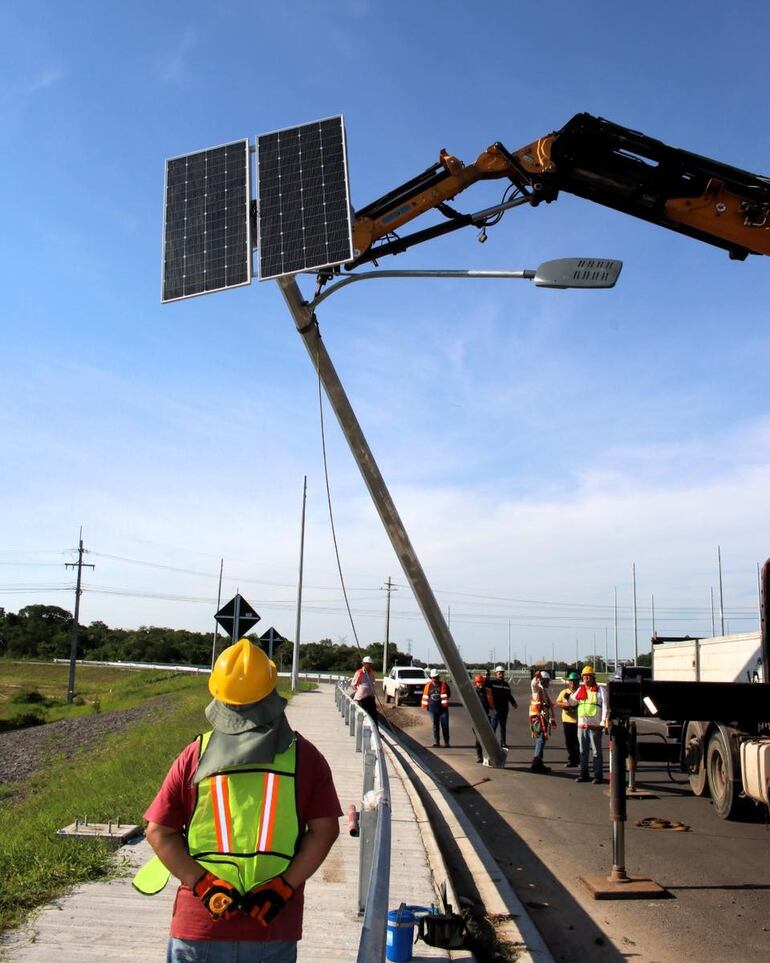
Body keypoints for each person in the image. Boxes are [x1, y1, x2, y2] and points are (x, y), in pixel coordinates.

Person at [133, 638, 342, 962]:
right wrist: (283, 887)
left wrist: (203, 884)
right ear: (273, 692)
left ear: (218, 696)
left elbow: (158, 831)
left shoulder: (195, 756)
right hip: (272, 924)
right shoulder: (305, 758)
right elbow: (325, 830)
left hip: (201, 924)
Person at [568, 664, 608, 784]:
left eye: (588, 677)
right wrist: (568, 698)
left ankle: (598, 776)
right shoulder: (581, 690)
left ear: (593, 677)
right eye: (584, 677)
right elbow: (572, 702)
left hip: (595, 726)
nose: (586, 679)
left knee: (596, 752)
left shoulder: (601, 690)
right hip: (582, 725)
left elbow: (605, 706)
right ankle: (583, 774)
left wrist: (603, 721)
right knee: (583, 751)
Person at [529, 670, 556, 773]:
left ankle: (539, 762)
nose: (549, 683)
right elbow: (533, 684)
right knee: (540, 738)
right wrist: (537, 677)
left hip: (542, 718)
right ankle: (536, 762)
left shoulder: (543, 690)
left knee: (542, 739)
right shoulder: (537, 689)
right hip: (537, 718)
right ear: (543, 680)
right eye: (547, 681)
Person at [487, 665, 518, 750]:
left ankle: (503, 743)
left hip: (504, 708)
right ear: (496, 673)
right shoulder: (492, 683)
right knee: (494, 725)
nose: (501, 674)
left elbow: (509, 695)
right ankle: (491, 743)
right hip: (495, 708)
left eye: (502, 673)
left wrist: (513, 702)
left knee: (503, 726)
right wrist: (487, 677)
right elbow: (486, 686)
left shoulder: (506, 684)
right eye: (499, 673)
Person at [555, 671, 580, 767]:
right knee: (569, 742)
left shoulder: (581, 692)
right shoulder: (564, 692)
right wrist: (565, 705)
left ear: (578, 682)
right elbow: (557, 703)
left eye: (575, 681)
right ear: (568, 682)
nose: (573, 683)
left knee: (577, 742)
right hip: (567, 720)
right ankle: (572, 760)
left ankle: (578, 760)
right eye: (571, 681)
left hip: (578, 720)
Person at [421, 668, 451, 747]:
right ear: (431, 678)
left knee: (445, 726)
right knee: (435, 726)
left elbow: (449, 694)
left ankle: (446, 742)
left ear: (439, 677)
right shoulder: (428, 686)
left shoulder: (444, 685)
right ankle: (436, 742)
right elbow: (426, 696)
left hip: (443, 710)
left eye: (436, 677)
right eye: (433, 677)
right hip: (432, 709)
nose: (435, 679)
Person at [472, 673, 494, 763]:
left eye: (481, 682)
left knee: (487, 739)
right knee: (478, 739)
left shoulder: (488, 691)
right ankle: (479, 756)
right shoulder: (473, 693)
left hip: (486, 717)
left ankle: (488, 756)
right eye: (478, 682)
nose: (480, 684)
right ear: (475, 683)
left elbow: (491, 705)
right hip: (476, 719)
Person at [351, 654, 378, 728]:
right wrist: (358, 690)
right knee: (364, 714)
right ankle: (364, 729)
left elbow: (373, 682)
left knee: (373, 715)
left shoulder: (372, 673)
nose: (369, 666)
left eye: (370, 664)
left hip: (370, 697)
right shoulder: (359, 672)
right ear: (364, 664)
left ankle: (376, 730)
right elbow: (353, 684)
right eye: (367, 664)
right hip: (362, 698)